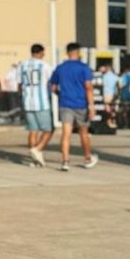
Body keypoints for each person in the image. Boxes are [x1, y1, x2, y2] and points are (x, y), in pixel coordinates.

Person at [49, 42, 98, 171]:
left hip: (65, 103)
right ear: (78, 52)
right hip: (81, 103)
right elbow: (88, 87)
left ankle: (65, 161)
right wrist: (92, 105)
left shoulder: (60, 68)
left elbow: (52, 87)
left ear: (67, 52)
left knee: (66, 133)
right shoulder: (84, 67)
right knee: (83, 133)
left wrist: (59, 94)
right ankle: (87, 158)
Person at [18, 43, 53, 166]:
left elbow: (19, 84)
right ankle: (37, 149)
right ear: (40, 53)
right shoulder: (45, 65)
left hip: (27, 100)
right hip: (41, 101)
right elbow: (51, 82)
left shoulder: (22, 65)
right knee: (48, 130)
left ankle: (35, 159)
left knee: (33, 130)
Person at [99, 63, 119, 128]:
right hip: (114, 94)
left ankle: (109, 121)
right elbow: (120, 85)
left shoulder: (104, 76)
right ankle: (114, 121)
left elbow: (101, 85)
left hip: (106, 93)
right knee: (113, 108)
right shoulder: (115, 76)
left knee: (107, 108)